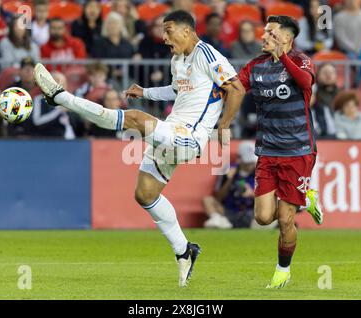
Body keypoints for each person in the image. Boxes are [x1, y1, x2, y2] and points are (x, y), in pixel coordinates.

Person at [34, 10, 245, 287]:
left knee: (132, 118)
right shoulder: (177, 59)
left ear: (187, 30)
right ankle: (185, 251)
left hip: (188, 136)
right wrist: (144, 92)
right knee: (145, 194)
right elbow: (176, 90)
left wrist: (225, 124)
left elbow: (237, 88)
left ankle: (62, 98)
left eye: (168, 30)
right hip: (171, 130)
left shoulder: (207, 55)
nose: (164, 36)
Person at [238, 15, 323, 289]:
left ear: (286, 38)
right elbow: (234, 87)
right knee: (263, 218)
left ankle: (282, 270)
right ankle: (305, 198)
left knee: (286, 219)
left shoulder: (301, 60)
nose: (264, 36)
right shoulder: (256, 66)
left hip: (298, 151)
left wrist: (282, 57)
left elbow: (305, 82)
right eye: (265, 32)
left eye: (271, 33)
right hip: (267, 151)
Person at [203, 141, 257, 229]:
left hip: (251, 212)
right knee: (207, 200)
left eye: (253, 161)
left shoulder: (260, 172)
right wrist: (229, 179)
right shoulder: (228, 170)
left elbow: (267, 197)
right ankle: (219, 220)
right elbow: (218, 197)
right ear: (240, 159)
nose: (252, 164)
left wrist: (251, 194)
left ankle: (258, 223)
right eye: (249, 162)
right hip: (228, 211)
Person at [32, 72, 83, 139]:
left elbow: (80, 125)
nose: (57, 84)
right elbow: (37, 122)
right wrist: (58, 111)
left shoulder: (71, 101)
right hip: (51, 141)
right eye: (54, 81)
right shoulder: (39, 99)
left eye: (61, 82)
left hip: (74, 142)